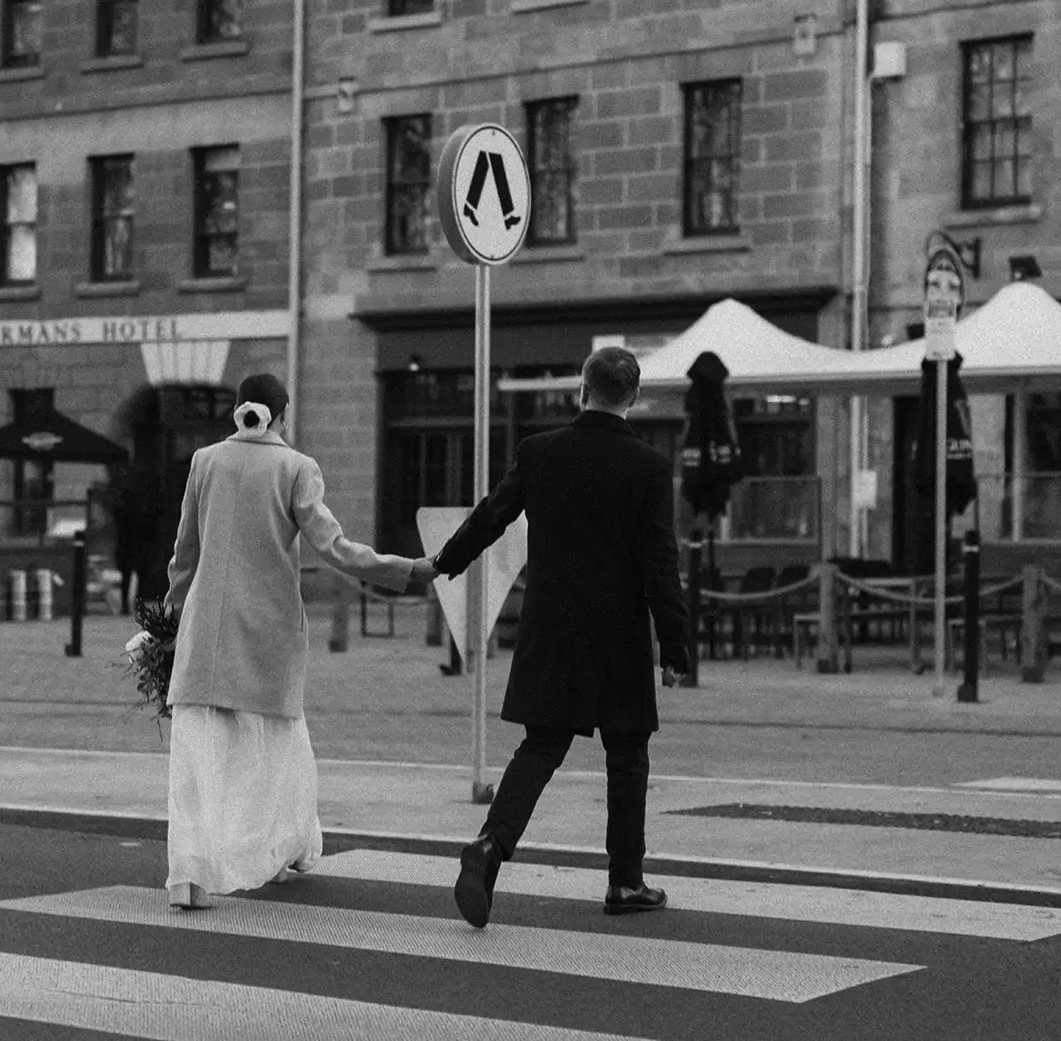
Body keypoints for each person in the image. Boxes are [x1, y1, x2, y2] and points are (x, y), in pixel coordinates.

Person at [425, 346, 690, 928]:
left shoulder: (540, 452)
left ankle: (490, 846)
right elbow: (659, 562)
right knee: (627, 755)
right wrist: (675, 646)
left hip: (553, 626)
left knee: (541, 747)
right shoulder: (647, 467)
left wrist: (446, 561)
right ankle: (625, 882)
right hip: (619, 630)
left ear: (582, 388)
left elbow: (492, 515)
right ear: (635, 396)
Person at [161, 372, 431, 910]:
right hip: (267, 631)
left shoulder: (205, 462)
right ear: (282, 416)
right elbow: (335, 549)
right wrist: (407, 571)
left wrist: (168, 619)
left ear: (237, 412)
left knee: (199, 759)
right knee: (274, 750)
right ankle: (279, 850)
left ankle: (189, 878)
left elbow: (184, 555)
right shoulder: (296, 467)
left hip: (205, 630)